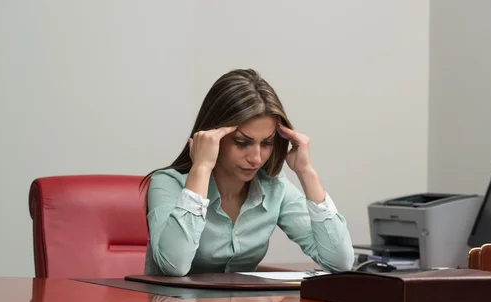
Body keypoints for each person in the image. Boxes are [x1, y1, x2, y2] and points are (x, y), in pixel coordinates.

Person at [140, 68, 354, 276]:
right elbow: (174, 265)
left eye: (267, 143)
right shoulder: (167, 183)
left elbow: (340, 262)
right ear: (213, 136)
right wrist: (202, 168)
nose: (256, 158)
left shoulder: (273, 187)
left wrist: (306, 172)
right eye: (242, 143)